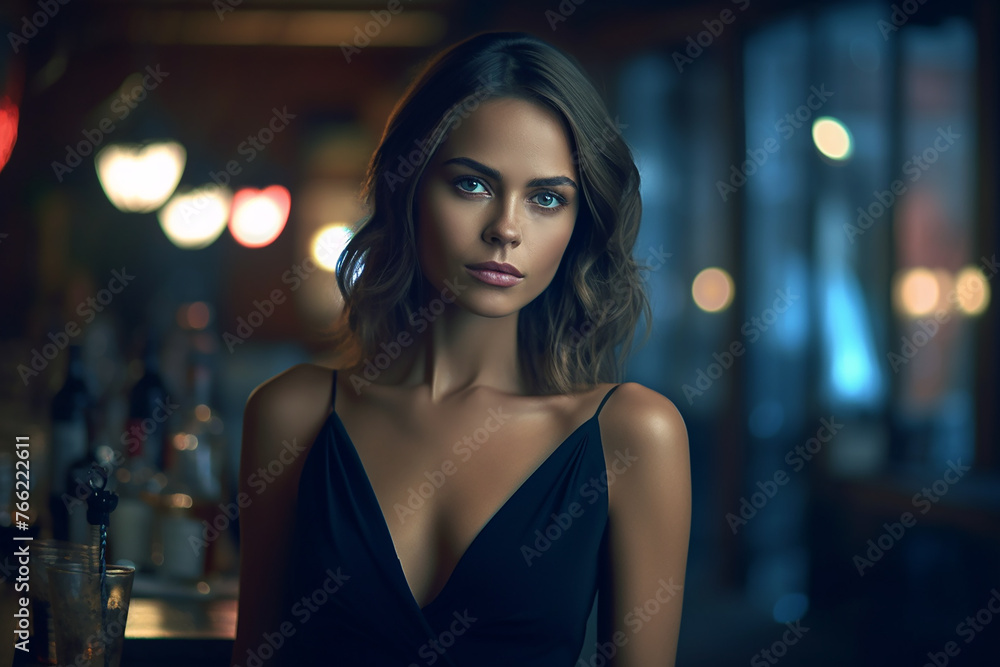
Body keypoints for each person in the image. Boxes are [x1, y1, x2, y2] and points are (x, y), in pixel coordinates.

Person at [230, 30, 691, 667]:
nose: (506, 227)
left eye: (547, 198)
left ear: (578, 223)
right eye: (472, 185)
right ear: (409, 186)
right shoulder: (293, 414)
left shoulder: (633, 434)